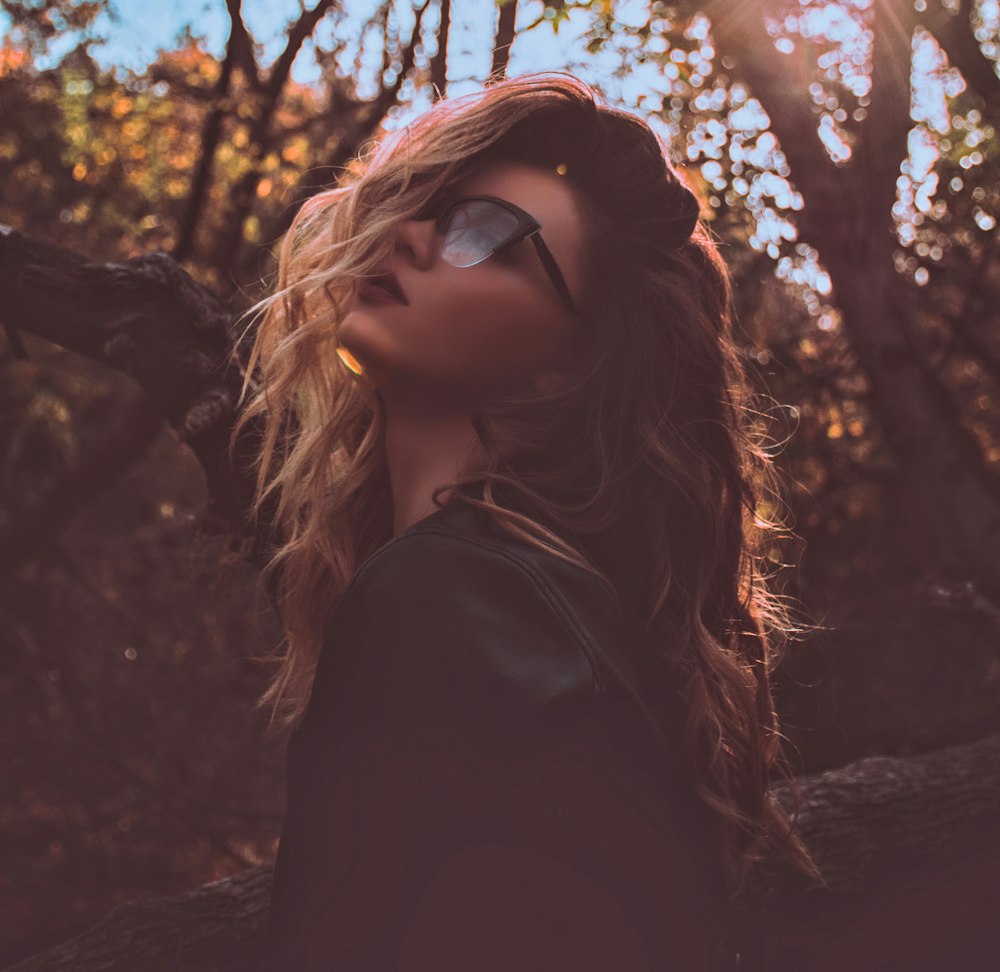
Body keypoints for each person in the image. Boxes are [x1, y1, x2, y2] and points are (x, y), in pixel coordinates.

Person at [238, 72, 817, 970]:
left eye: (488, 239)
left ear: (567, 366)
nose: (416, 236)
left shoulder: (454, 600)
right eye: (429, 207)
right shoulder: (516, 598)